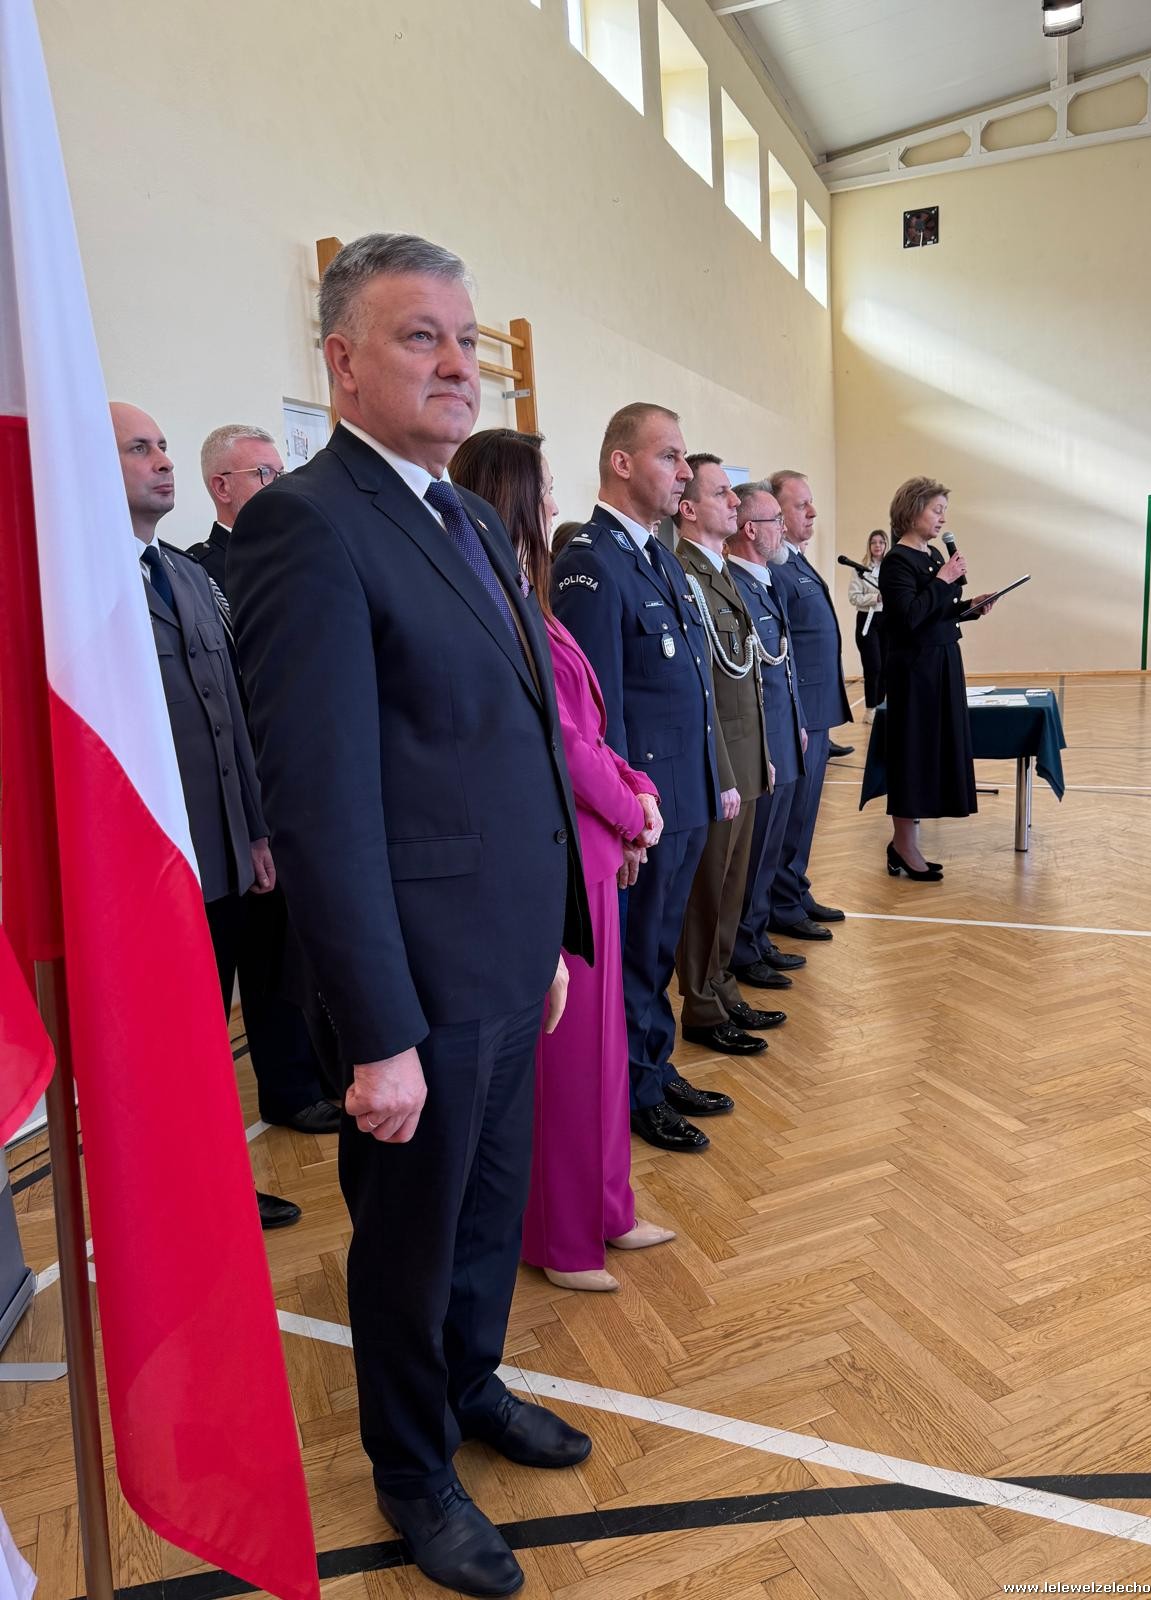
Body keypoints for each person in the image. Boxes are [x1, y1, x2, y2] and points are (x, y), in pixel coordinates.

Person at [225, 233, 593, 1600]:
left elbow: (515, 746)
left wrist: (550, 937)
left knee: (487, 1215)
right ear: (341, 361)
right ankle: (412, 1467)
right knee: (410, 1239)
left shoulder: (469, 520)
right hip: (413, 989)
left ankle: (471, 1381)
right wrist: (377, 1032)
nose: (456, 364)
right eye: (418, 336)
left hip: (505, 956)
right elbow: (322, 805)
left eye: (465, 338)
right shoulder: (307, 524)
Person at [450, 427, 675, 1293]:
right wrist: (630, 810)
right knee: (569, 1058)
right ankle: (564, 1236)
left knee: (603, 1047)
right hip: (560, 857)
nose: (553, 501)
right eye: (541, 486)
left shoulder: (528, 599)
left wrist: (636, 791)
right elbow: (561, 747)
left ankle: (609, 1208)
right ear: (509, 495)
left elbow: (592, 728)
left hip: (596, 848)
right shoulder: (496, 607)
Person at [109, 402, 300, 1232]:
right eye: (138, 449)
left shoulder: (186, 579)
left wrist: (254, 830)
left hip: (216, 852)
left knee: (207, 1030)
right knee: (165, 1040)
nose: (162, 460)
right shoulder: (83, 585)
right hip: (144, 860)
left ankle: (213, 1183)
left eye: (162, 446)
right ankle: (177, 1195)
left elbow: (230, 719)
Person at [551, 404, 731, 1156]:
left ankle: (655, 1063)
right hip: (642, 808)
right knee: (634, 957)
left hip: (679, 798)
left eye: (685, 459)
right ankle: (635, 1090)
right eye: (669, 457)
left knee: (657, 951)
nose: (684, 472)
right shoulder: (591, 564)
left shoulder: (656, 556)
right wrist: (625, 819)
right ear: (621, 464)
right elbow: (597, 714)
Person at [186, 424, 340, 1136]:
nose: (283, 484)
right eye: (265, 474)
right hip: (241, 796)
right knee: (247, 954)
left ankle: (306, 1076)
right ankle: (265, 1097)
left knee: (298, 951)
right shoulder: (198, 573)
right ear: (222, 487)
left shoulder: (299, 558)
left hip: (304, 782)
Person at [674, 457, 788, 1052]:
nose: (735, 504)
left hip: (745, 757)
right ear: (689, 508)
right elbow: (704, 690)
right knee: (707, 891)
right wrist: (723, 768)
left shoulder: (719, 573)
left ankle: (722, 986)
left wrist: (761, 752)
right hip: (718, 764)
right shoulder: (684, 573)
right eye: (722, 494)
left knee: (731, 887)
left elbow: (746, 679)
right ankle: (700, 1004)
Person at [878, 476, 992, 880]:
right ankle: (903, 845)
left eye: (945, 511)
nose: (943, 519)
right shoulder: (897, 561)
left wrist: (971, 607)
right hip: (915, 671)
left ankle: (905, 844)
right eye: (936, 510)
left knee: (935, 749)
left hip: (943, 661)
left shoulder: (932, 556)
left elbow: (937, 612)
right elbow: (909, 617)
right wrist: (943, 580)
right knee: (912, 752)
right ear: (913, 511)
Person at [725, 485, 809, 993]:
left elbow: (782, 663)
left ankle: (756, 937)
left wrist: (797, 719)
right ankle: (742, 947)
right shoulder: (734, 584)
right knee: (752, 855)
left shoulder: (764, 580)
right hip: (761, 742)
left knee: (770, 849)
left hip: (781, 731)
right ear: (750, 529)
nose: (783, 527)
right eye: (775, 519)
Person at [767, 470, 851, 942]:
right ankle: (782, 902)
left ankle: (795, 889)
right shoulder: (777, 569)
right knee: (793, 815)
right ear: (777, 514)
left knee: (805, 815)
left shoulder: (794, 561)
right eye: (801, 505)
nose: (813, 512)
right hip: (801, 712)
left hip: (817, 708)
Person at [849, 529, 889, 722]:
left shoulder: (892, 568)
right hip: (867, 620)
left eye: (881, 542)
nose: (877, 546)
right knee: (874, 666)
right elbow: (853, 597)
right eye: (874, 542)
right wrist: (876, 598)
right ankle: (870, 709)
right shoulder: (860, 569)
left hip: (888, 620)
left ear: (886, 545)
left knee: (886, 667)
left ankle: (881, 707)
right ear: (869, 545)